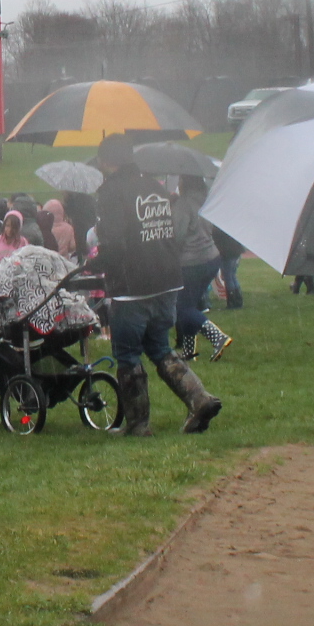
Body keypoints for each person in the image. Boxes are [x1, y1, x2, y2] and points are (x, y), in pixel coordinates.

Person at [90, 135, 221, 435]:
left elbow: (115, 241)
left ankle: (138, 424)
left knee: (127, 354)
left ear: (106, 160)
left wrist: (98, 261)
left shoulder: (110, 192)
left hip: (133, 284)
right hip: (168, 279)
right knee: (159, 346)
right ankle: (199, 398)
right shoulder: (154, 187)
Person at [171, 177, 231, 361]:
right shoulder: (207, 201)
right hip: (211, 258)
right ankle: (189, 351)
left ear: (185, 183)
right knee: (190, 306)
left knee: (181, 308)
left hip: (191, 261)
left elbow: (178, 235)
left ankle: (217, 337)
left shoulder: (183, 204)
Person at [212, 223, 246, 310]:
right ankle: (238, 300)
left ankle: (232, 301)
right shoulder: (229, 224)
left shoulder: (217, 228)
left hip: (227, 252)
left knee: (228, 277)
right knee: (232, 276)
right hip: (235, 250)